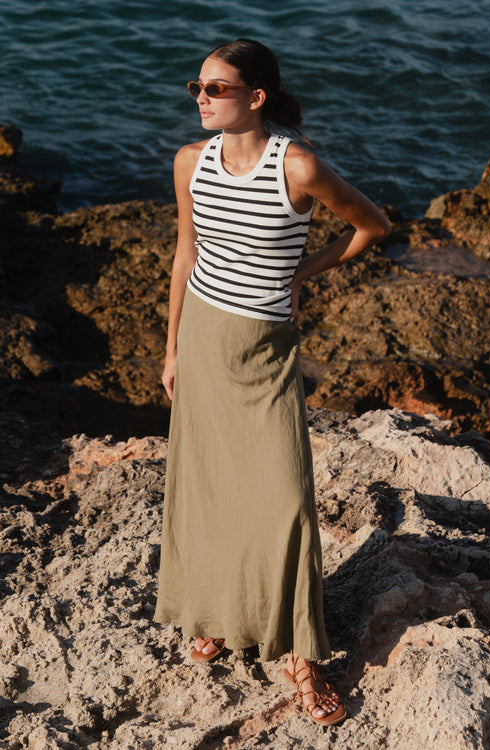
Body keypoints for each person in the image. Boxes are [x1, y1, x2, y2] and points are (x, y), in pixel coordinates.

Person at [154, 38, 390, 726]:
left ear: (255, 97)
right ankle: (221, 615)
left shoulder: (300, 166)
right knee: (210, 486)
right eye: (195, 87)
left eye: (215, 89)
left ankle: (301, 657)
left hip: (264, 353)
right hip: (202, 338)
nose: (200, 99)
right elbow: (184, 254)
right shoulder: (189, 163)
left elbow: (371, 225)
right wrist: (170, 348)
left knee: (283, 500)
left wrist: (299, 274)